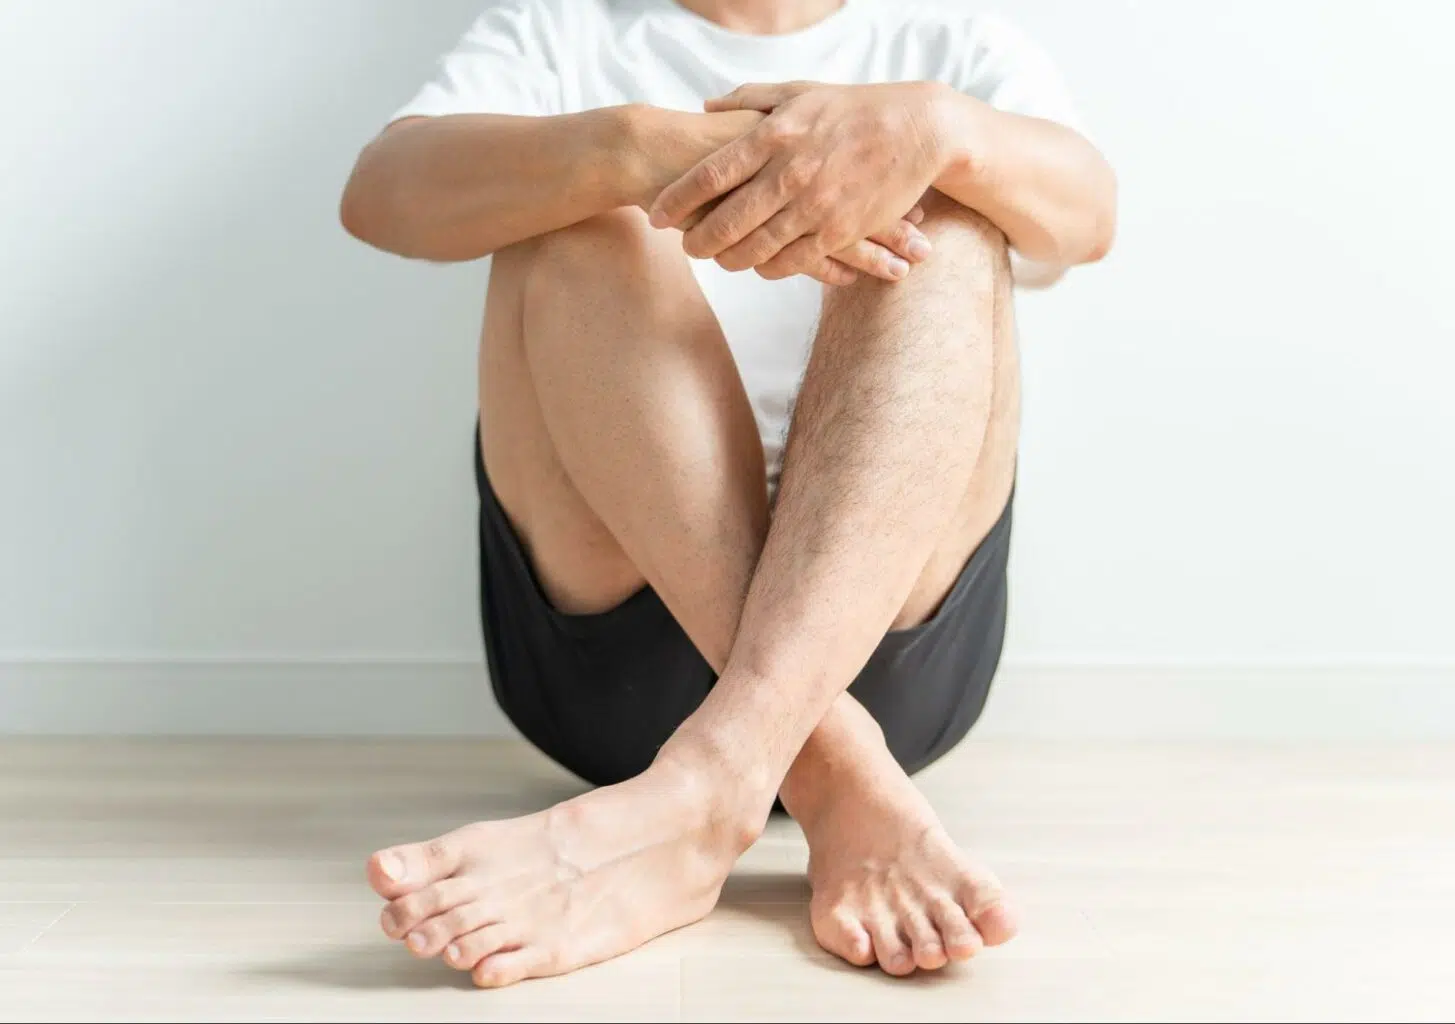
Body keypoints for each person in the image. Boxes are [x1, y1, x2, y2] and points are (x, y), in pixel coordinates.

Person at [340, 0, 1114, 988]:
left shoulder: (946, 44)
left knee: (956, 220)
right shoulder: (561, 34)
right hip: (612, 661)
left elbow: (1088, 217)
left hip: (890, 650)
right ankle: (831, 773)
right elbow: (381, 193)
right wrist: (627, 148)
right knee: (572, 217)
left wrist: (938, 128)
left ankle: (709, 791)